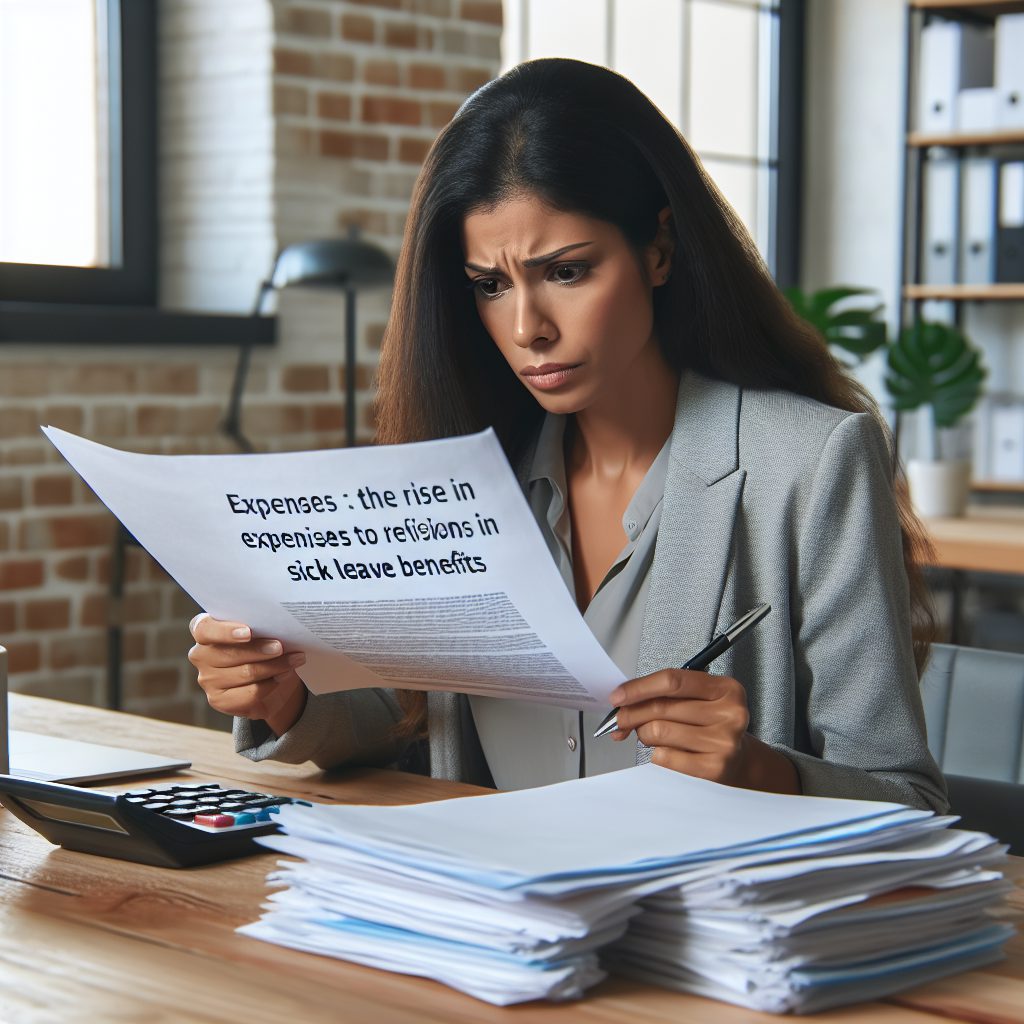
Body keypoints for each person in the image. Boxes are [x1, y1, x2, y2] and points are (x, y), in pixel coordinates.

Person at [188, 58, 947, 811]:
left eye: (568, 271)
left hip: (697, 918)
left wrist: (757, 772)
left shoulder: (811, 465)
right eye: (490, 285)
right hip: (492, 915)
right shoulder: (474, 479)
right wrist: (284, 697)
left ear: (659, 249)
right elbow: (417, 720)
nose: (527, 329)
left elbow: (906, 797)